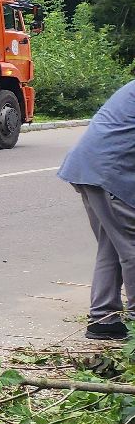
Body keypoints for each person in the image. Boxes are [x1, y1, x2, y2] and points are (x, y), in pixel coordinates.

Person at [59, 78, 135, 341]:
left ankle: (104, 319)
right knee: (132, 247)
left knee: (112, 246)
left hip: (89, 169)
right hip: (109, 173)